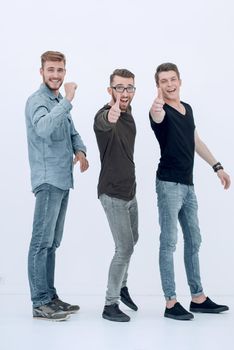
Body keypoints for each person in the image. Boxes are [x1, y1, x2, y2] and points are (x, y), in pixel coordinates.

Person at [149, 62, 231, 321]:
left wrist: (217, 166)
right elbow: (157, 116)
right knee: (169, 242)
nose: (170, 84)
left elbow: (196, 141)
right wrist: (157, 104)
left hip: (188, 185)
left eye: (173, 79)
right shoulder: (158, 111)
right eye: (164, 81)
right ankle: (171, 302)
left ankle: (198, 298)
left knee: (194, 240)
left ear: (180, 80)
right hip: (168, 185)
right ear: (158, 85)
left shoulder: (188, 109)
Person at [25, 51, 89, 321]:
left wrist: (81, 150)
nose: (56, 75)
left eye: (60, 70)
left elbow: (71, 130)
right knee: (41, 242)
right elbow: (43, 129)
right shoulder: (38, 101)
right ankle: (40, 302)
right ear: (41, 71)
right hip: (48, 179)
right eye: (51, 70)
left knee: (52, 243)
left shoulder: (58, 100)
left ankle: (50, 296)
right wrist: (70, 100)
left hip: (63, 180)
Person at [94, 69, 139, 322]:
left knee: (133, 241)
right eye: (119, 87)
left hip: (130, 192)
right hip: (112, 193)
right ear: (110, 90)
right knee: (124, 248)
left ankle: (122, 287)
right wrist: (110, 114)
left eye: (129, 87)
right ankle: (110, 304)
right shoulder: (104, 115)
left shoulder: (129, 114)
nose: (124, 93)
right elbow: (104, 121)